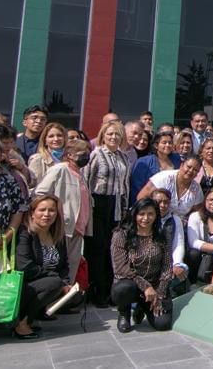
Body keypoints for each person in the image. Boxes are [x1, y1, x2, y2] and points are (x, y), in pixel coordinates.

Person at [13, 195, 75, 340]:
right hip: (26, 284)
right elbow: (24, 267)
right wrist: (55, 278)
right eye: (42, 210)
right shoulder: (25, 234)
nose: (47, 214)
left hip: (49, 282)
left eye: (52, 210)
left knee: (75, 295)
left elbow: (64, 264)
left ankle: (39, 313)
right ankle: (22, 323)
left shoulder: (57, 235)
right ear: (32, 213)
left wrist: (66, 283)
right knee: (54, 284)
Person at [84, 120, 130, 307]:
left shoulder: (124, 157)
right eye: (110, 134)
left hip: (117, 205)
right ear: (103, 135)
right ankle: (98, 292)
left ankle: (112, 291)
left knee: (114, 249)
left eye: (117, 134)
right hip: (98, 204)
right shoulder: (96, 154)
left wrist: (125, 207)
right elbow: (86, 181)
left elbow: (125, 185)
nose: (113, 137)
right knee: (98, 250)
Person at [110, 198, 173, 333]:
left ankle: (142, 307)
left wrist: (160, 293)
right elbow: (121, 268)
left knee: (163, 324)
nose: (146, 218)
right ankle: (124, 312)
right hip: (131, 283)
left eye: (150, 214)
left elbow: (167, 267)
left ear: (156, 215)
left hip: (155, 286)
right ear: (135, 215)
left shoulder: (162, 235)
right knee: (123, 289)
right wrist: (146, 286)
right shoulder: (121, 234)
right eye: (141, 214)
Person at [33, 138, 92, 279]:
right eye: (81, 153)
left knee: (72, 266)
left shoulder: (81, 174)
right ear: (70, 155)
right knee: (59, 265)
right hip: (62, 227)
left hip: (78, 228)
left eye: (87, 153)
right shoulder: (60, 169)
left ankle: (67, 297)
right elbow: (41, 192)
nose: (86, 156)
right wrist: (56, 212)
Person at [136, 157, 204, 218]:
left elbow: (196, 212)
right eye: (189, 167)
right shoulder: (164, 177)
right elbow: (141, 197)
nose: (191, 171)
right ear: (181, 165)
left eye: (195, 170)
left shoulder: (197, 189)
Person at [150, 189, 188, 296]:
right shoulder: (146, 218)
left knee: (183, 269)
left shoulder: (175, 220)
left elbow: (178, 244)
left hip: (167, 261)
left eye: (166, 202)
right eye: (158, 202)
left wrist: (176, 263)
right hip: (149, 262)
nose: (162, 205)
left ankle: (166, 292)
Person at [129, 130, 181, 202]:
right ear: (156, 145)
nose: (168, 145)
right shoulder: (144, 162)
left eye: (170, 143)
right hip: (149, 202)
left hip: (171, 202)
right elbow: (137, 187)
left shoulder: (177, 160)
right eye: (164, 142)